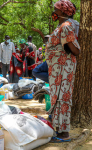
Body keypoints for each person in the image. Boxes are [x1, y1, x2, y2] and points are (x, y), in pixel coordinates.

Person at [46, 0, 80, 142]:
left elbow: (76, 50)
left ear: (62, 12)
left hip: (64, 69)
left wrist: (62, 49)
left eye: (55, 9)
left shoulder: (66, 26)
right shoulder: (61, 26)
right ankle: (59, 129)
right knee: (58, 98)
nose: (53, 11)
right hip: (57, 69)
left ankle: (63, 133)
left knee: (62, 97)